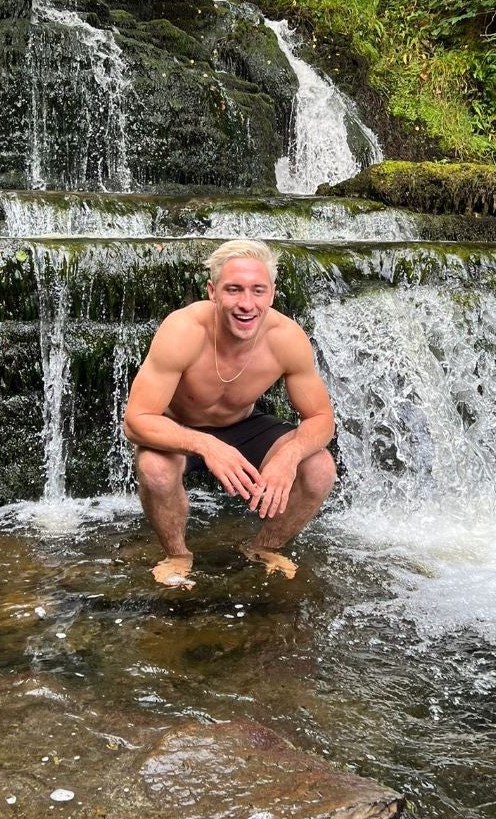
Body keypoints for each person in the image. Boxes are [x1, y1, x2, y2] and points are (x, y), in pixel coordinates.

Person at [122, 239, 337, 589]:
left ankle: (262, 548)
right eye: (234, 290)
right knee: (155, 469)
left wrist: (291, 454)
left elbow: (321, 418)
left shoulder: (286, 338)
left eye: (258, 290)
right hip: (179, 427)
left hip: (243, 426)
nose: (246, 304)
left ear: (272, 294)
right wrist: (206, 444)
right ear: (213, 292)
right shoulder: (183, 331)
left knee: (319, 468)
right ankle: (178, 554)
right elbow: (136, 420)